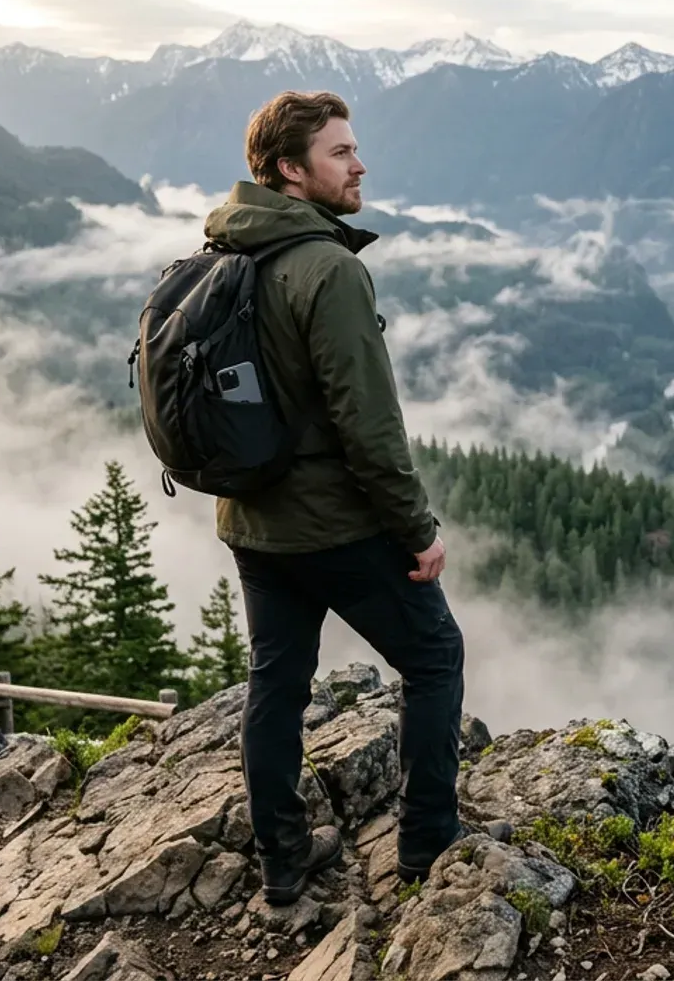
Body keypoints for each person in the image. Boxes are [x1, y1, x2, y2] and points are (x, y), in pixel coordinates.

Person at [204, 90, 484, 905]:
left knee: (277, 684)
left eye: (356, 150)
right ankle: (429, 842)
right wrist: (416, 530)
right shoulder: (328, 269)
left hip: (252, 523)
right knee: (434, 658)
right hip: (333, 527)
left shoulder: (226, 252)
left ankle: (283, 861)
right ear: (292, 171)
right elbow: (369, 424)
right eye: (340, 153)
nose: (360, 164)